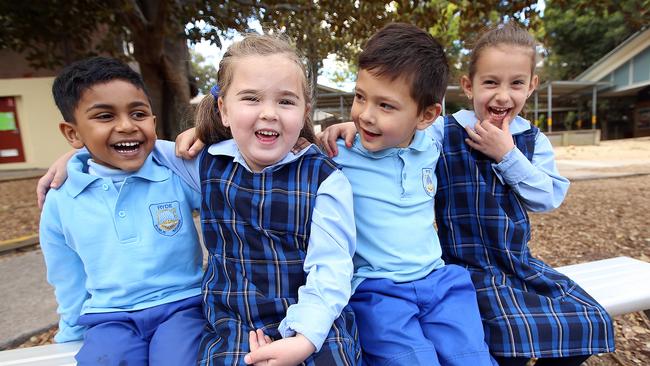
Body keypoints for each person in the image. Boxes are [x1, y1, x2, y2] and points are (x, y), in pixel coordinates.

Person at [319, 22, 615, 366]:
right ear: (469, 86)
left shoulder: (528, 141)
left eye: (516, 83)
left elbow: (548, 197)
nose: (502, 95)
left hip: (506, 263)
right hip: (452, 263)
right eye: (490, 82)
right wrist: (352, 126)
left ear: (532, 86)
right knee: (485, 337)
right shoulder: (445, 131)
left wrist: (507, 155)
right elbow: (400, 126)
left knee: (583, 320)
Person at [39, 56, 205, 366]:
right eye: (104, 116)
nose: (127, 126)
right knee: (102, 359)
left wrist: (204, 133)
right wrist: (71, 329)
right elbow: (66, 273)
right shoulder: (61, 198)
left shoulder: (173, 169)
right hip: (109, 317)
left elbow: (226, 187)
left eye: (138, 113)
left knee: (179, 359)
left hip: (182, 306)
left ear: (153, 122)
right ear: (73, 134)